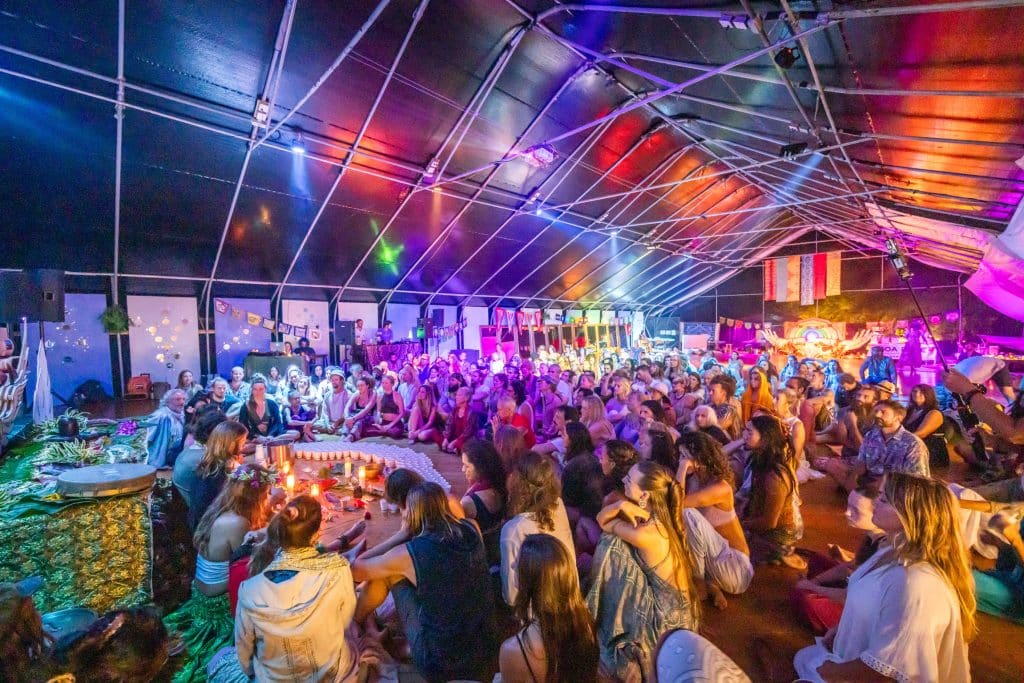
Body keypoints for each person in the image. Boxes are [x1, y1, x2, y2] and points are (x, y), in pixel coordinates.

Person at [793, 473, 974, 682]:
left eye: (884, 500)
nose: (876, 503)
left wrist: (832, 672)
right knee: (804, 658)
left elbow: (888, 669)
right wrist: (840, 632)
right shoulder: (889, 549)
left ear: (912, 515)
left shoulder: (916, 583)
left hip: (874, 676)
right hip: (851, 659)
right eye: (880, 495)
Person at [351, 482, 497, 682]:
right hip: (485, 653)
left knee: (390, 573)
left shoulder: (410, 553)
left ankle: (355, 625)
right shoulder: (472, 528)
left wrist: (401, 534)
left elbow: (358, 569)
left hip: (439, 665)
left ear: (412, 514)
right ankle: (402, 644)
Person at [207, 496, 358, 682]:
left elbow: (244, 655)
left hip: (272, 678)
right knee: (356, 640)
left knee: (217, 660)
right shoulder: (338, 569)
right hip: (328, 674)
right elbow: (344, 621)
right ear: (315, 535)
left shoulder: (250, 589)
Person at [588, 461, 700, 680]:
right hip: (679, 611)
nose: (623, 481)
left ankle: (596, 614)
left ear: (645, 495)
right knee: (618, 545)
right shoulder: (662, 515)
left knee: (612, 544)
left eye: (629, 480)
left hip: (664, 622)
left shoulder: (648, 534)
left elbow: (602, 522)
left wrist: (620, 507)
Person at [164, 464, 274, 683]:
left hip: (199, 593)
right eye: (267, 493)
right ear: (258, 495)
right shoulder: (238, 523)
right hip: (217, 602)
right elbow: (248, 568)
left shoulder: (221, 507)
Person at [497, 534, 599, 683]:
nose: (513, 566)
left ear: (532, 580)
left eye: (518, 562)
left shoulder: (514, 650)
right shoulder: (586, 625)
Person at [501, 452, 576, 606]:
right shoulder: (558, 504)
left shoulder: (514, 529)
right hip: (568, 603)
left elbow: (511, 596)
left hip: (536, 615)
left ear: (518, 482)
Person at [740, 415, 806, 570]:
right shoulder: (760, 460)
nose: (744, 435)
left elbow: (770, 522)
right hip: (765, 525)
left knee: (730, 543)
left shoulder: (774, 476)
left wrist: (740, 524)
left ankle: (778, 553)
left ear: (765, 439)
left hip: (781, 535)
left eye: (749, 432)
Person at [173, 418, 245, 531]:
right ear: (232, 445)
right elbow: (235, 499)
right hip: (208, 528)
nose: (243, 447)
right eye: (242, 443)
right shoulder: (220, 472)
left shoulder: (209, 462)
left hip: (198, 520)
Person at [460, 439, 507, 567]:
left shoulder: (469, 502)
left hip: (478, 557)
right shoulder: (501, 486)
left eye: (467, 465)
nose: (463, 469)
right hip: (497, 548)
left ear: (480, 467)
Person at [903, 383, 949, 469]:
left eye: (921, 392)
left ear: (929, 395)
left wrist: (898, 440)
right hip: (912, 446)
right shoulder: (909, 411)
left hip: (930, 449)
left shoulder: (934, 413)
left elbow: (921, 434)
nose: (916, 394)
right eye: (914, 391)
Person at [237, 375, 292, 446]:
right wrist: (257, 437)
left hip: (271, 435)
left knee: (296, 434)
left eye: (261, 389)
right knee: (243, 444)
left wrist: (271, 435)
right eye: (255, 389)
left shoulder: (271, 403)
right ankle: (265, 443)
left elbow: (277, 423)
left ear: (265, 389)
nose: (258, 392)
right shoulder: (245, 406)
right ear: (252, 390)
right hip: (255, 437)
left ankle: (270, 441)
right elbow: (243, 426)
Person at [147, 388, 186, 468]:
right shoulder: (160, 416)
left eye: (183, 399)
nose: (182, 402)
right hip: (163, 455)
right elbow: (147, 436)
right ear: (168, 402)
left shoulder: (182, 414)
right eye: (177, 399)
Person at [363, 374, 406, 439]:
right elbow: (378, 411)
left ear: (392, 384)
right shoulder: (380, 396)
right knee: (365, 430)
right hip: (384, 422)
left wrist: (390, 425)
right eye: (382, 383)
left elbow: (402, 413)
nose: (383, 385)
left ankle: (382, 431)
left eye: (386, 383)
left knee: (394, 432)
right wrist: (377, 422)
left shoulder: (397, 396)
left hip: (395, 423)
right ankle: (382, 430)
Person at [441, 386, 482, 454]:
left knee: (466, 447)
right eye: (456, 395)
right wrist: (446, 439)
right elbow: (449, 425)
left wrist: (455, 442)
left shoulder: (472, 412)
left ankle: (457, 449)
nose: (456, 397)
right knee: (442, 440)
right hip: (455, 436)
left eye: (459, 395)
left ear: (466, 398)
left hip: (466, 438)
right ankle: (455, 448)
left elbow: (467, 433)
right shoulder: (455, 410)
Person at [600, 439, 639, 505]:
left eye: (602, 458)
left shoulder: (612, 497)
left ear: (612, 464)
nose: (600, 461)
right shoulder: (635, 484)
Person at [343, 376, 377, 441]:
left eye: (362, 385)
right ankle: (344, 435)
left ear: (367, 386)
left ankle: (351, 436)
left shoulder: (373, 393)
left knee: (359, 420)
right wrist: (347, 418)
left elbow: (366, 410)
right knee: (349, 417)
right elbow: (347, 407)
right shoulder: (357, 393)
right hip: (357, 415)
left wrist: (353, 419)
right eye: (358, 386)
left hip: (369, 416)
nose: (359, 387)